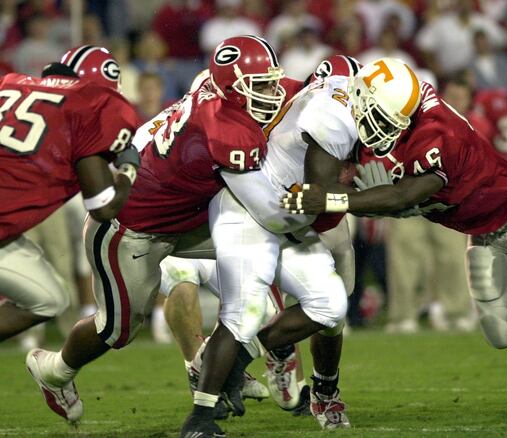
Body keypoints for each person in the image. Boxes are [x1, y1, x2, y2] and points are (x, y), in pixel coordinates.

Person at [282, 58, 507, 425]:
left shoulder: (439, 135)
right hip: (481, 230)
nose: (380, 129)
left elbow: (404, 196)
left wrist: (335, 199)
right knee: (502, 333)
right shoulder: (396, 101)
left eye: (391, 122)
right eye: (379, 117)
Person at [25, 36, 291, 425]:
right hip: (131, 227)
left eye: (272, 82)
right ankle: (54, 370)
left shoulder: (213, 90)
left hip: (186, 215)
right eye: (262, 84)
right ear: (234, 87)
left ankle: (208, 360)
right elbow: (268, 208)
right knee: (117, 330)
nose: (273, 91)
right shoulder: (226, 130)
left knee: (270, 257)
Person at [180, 56, 361, 437]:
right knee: (246, 308)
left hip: (310, 220)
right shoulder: (285, 100)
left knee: (333, 308)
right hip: (267, 211)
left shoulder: (348, 112)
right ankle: (203, 411)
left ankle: (312, 382)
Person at [0, 45, 140, 349]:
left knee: (48, 298)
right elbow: (103, 207)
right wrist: (129, 169)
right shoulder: (91, 105)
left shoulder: (11, 83)